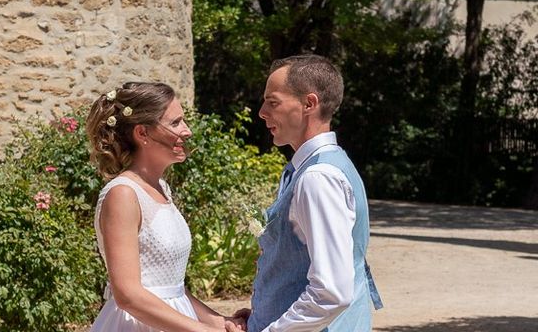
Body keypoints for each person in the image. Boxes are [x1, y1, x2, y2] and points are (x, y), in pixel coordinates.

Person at [232, 55, 382, 332]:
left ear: (309, 104)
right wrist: (264, 311)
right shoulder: (320, 167)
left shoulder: (318, 177)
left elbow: (331, 293)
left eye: (272, 102)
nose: (261, 112)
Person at [86, 82, 243, 332]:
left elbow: (172, 286)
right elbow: (128, 294)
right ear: (143, 133)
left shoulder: (161, 188)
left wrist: (219, 322)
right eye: (176, 123)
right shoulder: (123, 194)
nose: (187, 131)